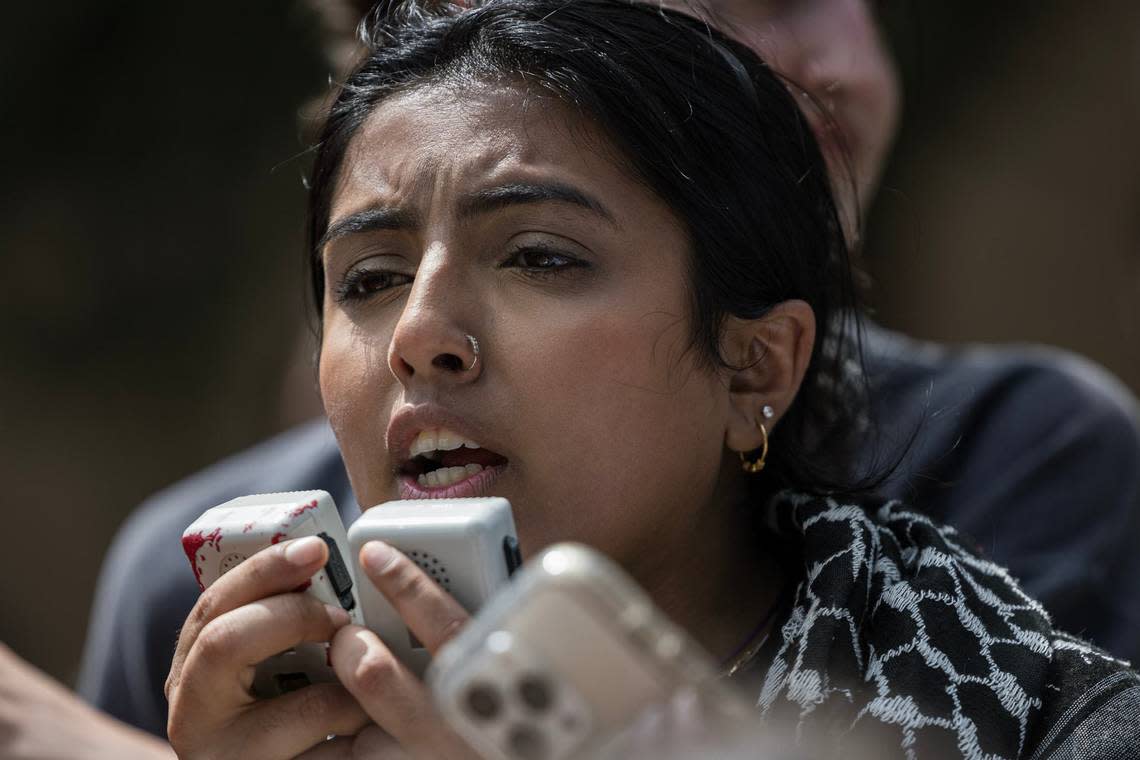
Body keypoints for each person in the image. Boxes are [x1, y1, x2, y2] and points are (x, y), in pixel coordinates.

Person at [75, 0, 1140, 748]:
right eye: (369, 278)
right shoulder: (238, 677)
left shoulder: (1055, 716)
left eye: (542, 257)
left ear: (753, 366)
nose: (420, 333)